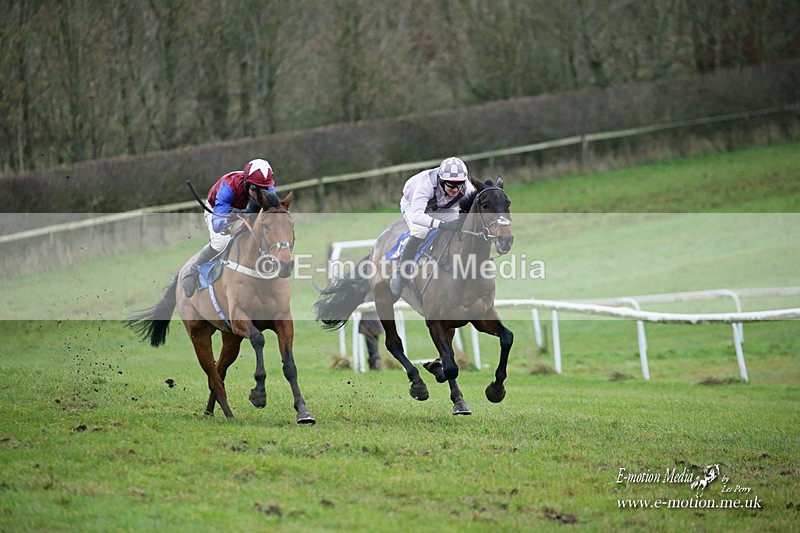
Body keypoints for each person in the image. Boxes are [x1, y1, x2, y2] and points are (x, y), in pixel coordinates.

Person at [182, 158, 276, 297]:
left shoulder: (269, 188)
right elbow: (217, 224)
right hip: (218, 211)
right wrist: (234, 217)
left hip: (243, 211)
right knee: (221, 243)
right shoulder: (228, 187)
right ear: (247, 184)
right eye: (257, 189)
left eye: (264, 188)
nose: (261, 193)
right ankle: (194, 269)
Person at [389, 156, 476, 296]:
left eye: (459, 184)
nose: (456, 189)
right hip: (414, 206)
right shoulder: (425, 184)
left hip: (443, 207)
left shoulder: (467, 188)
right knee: (421, 231)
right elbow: (417, 216)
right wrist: (443, 225)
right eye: (451, 185)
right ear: (441, 181)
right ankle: (400, 273)